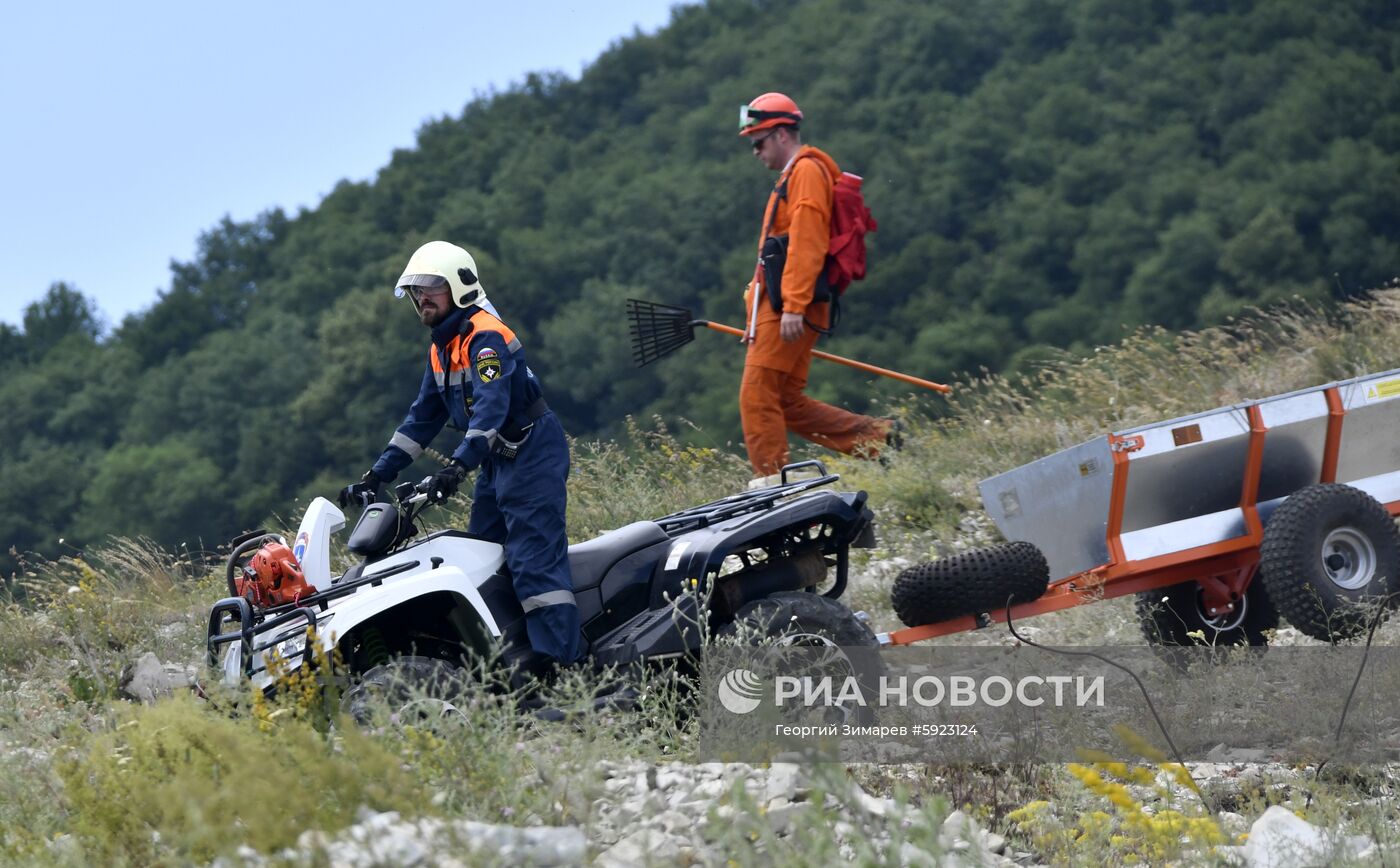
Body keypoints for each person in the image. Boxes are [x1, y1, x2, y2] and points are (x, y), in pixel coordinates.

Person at [338, 240, 580, 675]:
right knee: (481, 556)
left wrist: (456, 468)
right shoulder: (441, 346)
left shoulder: (486, 337)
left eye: (432, 287)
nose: (422, 298)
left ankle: (563, 671)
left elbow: (491, 411)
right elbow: (422, 418)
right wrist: (377, 474)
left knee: (531, 558)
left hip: (530, 451)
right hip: (497, 460)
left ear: (460, 288)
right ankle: (514, 657)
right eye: (416, 291)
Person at [736, 92, 893, 485]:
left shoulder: (805, 172)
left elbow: (807, 240)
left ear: (781, 134)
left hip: (791, 306)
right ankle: (882, 440)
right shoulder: (794, 175)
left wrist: (792, 304)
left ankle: (773, 487)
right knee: (785, 402)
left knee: (757, 396)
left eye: (758, 141)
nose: (755, 151)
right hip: (782, 305)